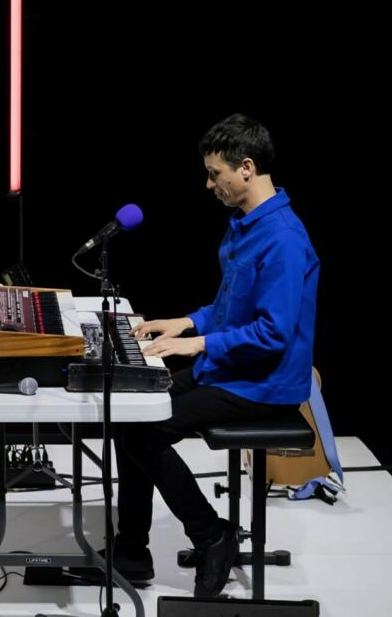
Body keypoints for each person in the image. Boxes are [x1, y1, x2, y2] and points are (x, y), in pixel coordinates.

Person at [114, 113, 319, 598]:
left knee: (147, 431)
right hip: (231, 369)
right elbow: (231, 306)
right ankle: (132, 550)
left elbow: (272, 333)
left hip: (263, 384)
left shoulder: (283, 239)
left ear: (246, 168)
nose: (209, 184)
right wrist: (186, 322)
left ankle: (211, 536)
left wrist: (197, 344)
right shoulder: (245, 225)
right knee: (130, 414)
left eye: (215, 173)